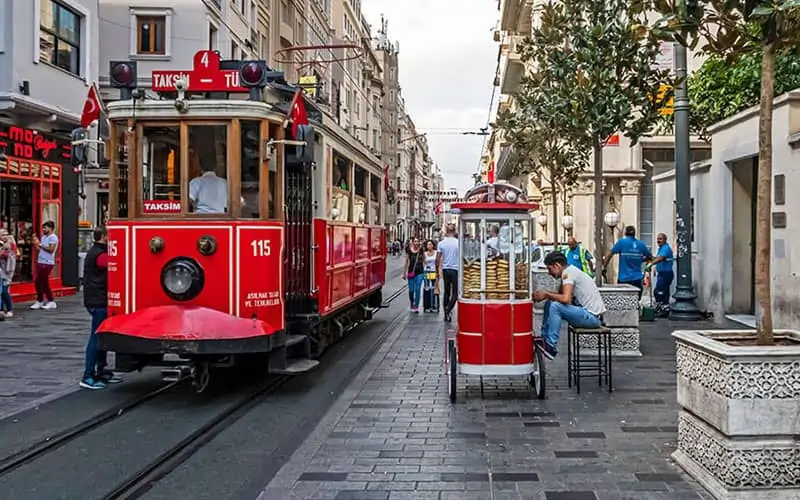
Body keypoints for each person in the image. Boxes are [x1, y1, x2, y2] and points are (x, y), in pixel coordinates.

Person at [533, 252, 606, 359]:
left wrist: (546, 294)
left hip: (592, 317)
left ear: (557, 266)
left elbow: (566, 299)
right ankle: (545, 338)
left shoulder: (568, 273)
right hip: (586, 314)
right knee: (550, 303)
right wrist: (545, 295)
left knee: (555, 306)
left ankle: (551, 344)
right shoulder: (569, 272)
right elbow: (559, 296)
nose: (549, 273)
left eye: (550, 269)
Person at [81, 227, 122, 389]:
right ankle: (88, 375)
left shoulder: (96, 251)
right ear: (104, 237)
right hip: (98, 301)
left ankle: (101, 371)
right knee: (96, 337)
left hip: (96, 299)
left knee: (101, 337)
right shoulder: (99, 254)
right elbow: (114, 263)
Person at [602, 225, 651, 299]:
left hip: (624, 279)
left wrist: (604, 267)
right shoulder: (641, 244)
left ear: (625, 233)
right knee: (636, 302)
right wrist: (640, 259)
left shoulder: (621, 243)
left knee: (623, 301)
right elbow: (650, 257)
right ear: (634, 234)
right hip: (637, 279)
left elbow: (609, 255)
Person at [31, 220, 59, 310]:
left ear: (50, 228)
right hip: (41, 261)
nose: (43, 229)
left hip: (47, 262)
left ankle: (47, 300)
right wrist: (37, 245)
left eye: (45, 227)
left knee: (41, 281)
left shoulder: (53, 237)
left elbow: (51, 249)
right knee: (40, 282)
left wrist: (40, 244)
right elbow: (41, 249)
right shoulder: (43, 237)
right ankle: (42, 300)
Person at [647, 232, 674, 316]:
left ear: (665, 240)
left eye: (661, 239)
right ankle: (665, 309)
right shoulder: (661, 249)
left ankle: (660, 307)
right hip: (662, 273)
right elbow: (657, 258)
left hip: (665, 274)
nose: (658, 240)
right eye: (658, 239)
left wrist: (651, 264)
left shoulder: (665, 248)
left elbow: (661, 258)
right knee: (665, 292)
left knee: (659, 292)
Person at [437, 223, 459, 322]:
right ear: (455, 232)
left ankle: (446, 312)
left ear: (446, 231)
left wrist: (437, 270)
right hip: (455, 269)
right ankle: (448, 309)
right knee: (455, 292)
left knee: (446, 291)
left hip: (446, 269)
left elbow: (437, 258)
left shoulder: (441, 243)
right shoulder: (458, 243)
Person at [402, 237, 425, 312]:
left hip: (420, 272)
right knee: (411, 290)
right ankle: (412, 302)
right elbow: (406, 262)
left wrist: (427, 269)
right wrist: (404, 273)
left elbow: (424, 260)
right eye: (414, 241)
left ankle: (416, 306)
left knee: (417, 289)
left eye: (417, 241)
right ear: (412, 242)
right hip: (411, 272)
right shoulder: (409, 251)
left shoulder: (421, 250)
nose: (416, 243)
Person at [0, 232, 16, 318]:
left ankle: (9, 309)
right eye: (3, 234)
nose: (5, 236)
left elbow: (11, 257)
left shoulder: (10, 245)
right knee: (1, 292)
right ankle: (1, 309)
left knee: (4, 291)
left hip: (6, 272)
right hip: (1, 270)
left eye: (6, 234)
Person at [422, 240, 440, 313]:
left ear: (433, 245)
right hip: (427, 272)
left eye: (430, 244)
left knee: (434, 288)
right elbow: (424, 263)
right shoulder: (425, 253)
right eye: (428, 245)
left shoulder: (436, 253)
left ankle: (434, 305)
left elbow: (439, 262)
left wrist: (439, 272)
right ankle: (427, 305)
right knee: (427, 288)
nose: (429, 246)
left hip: (434, 272)